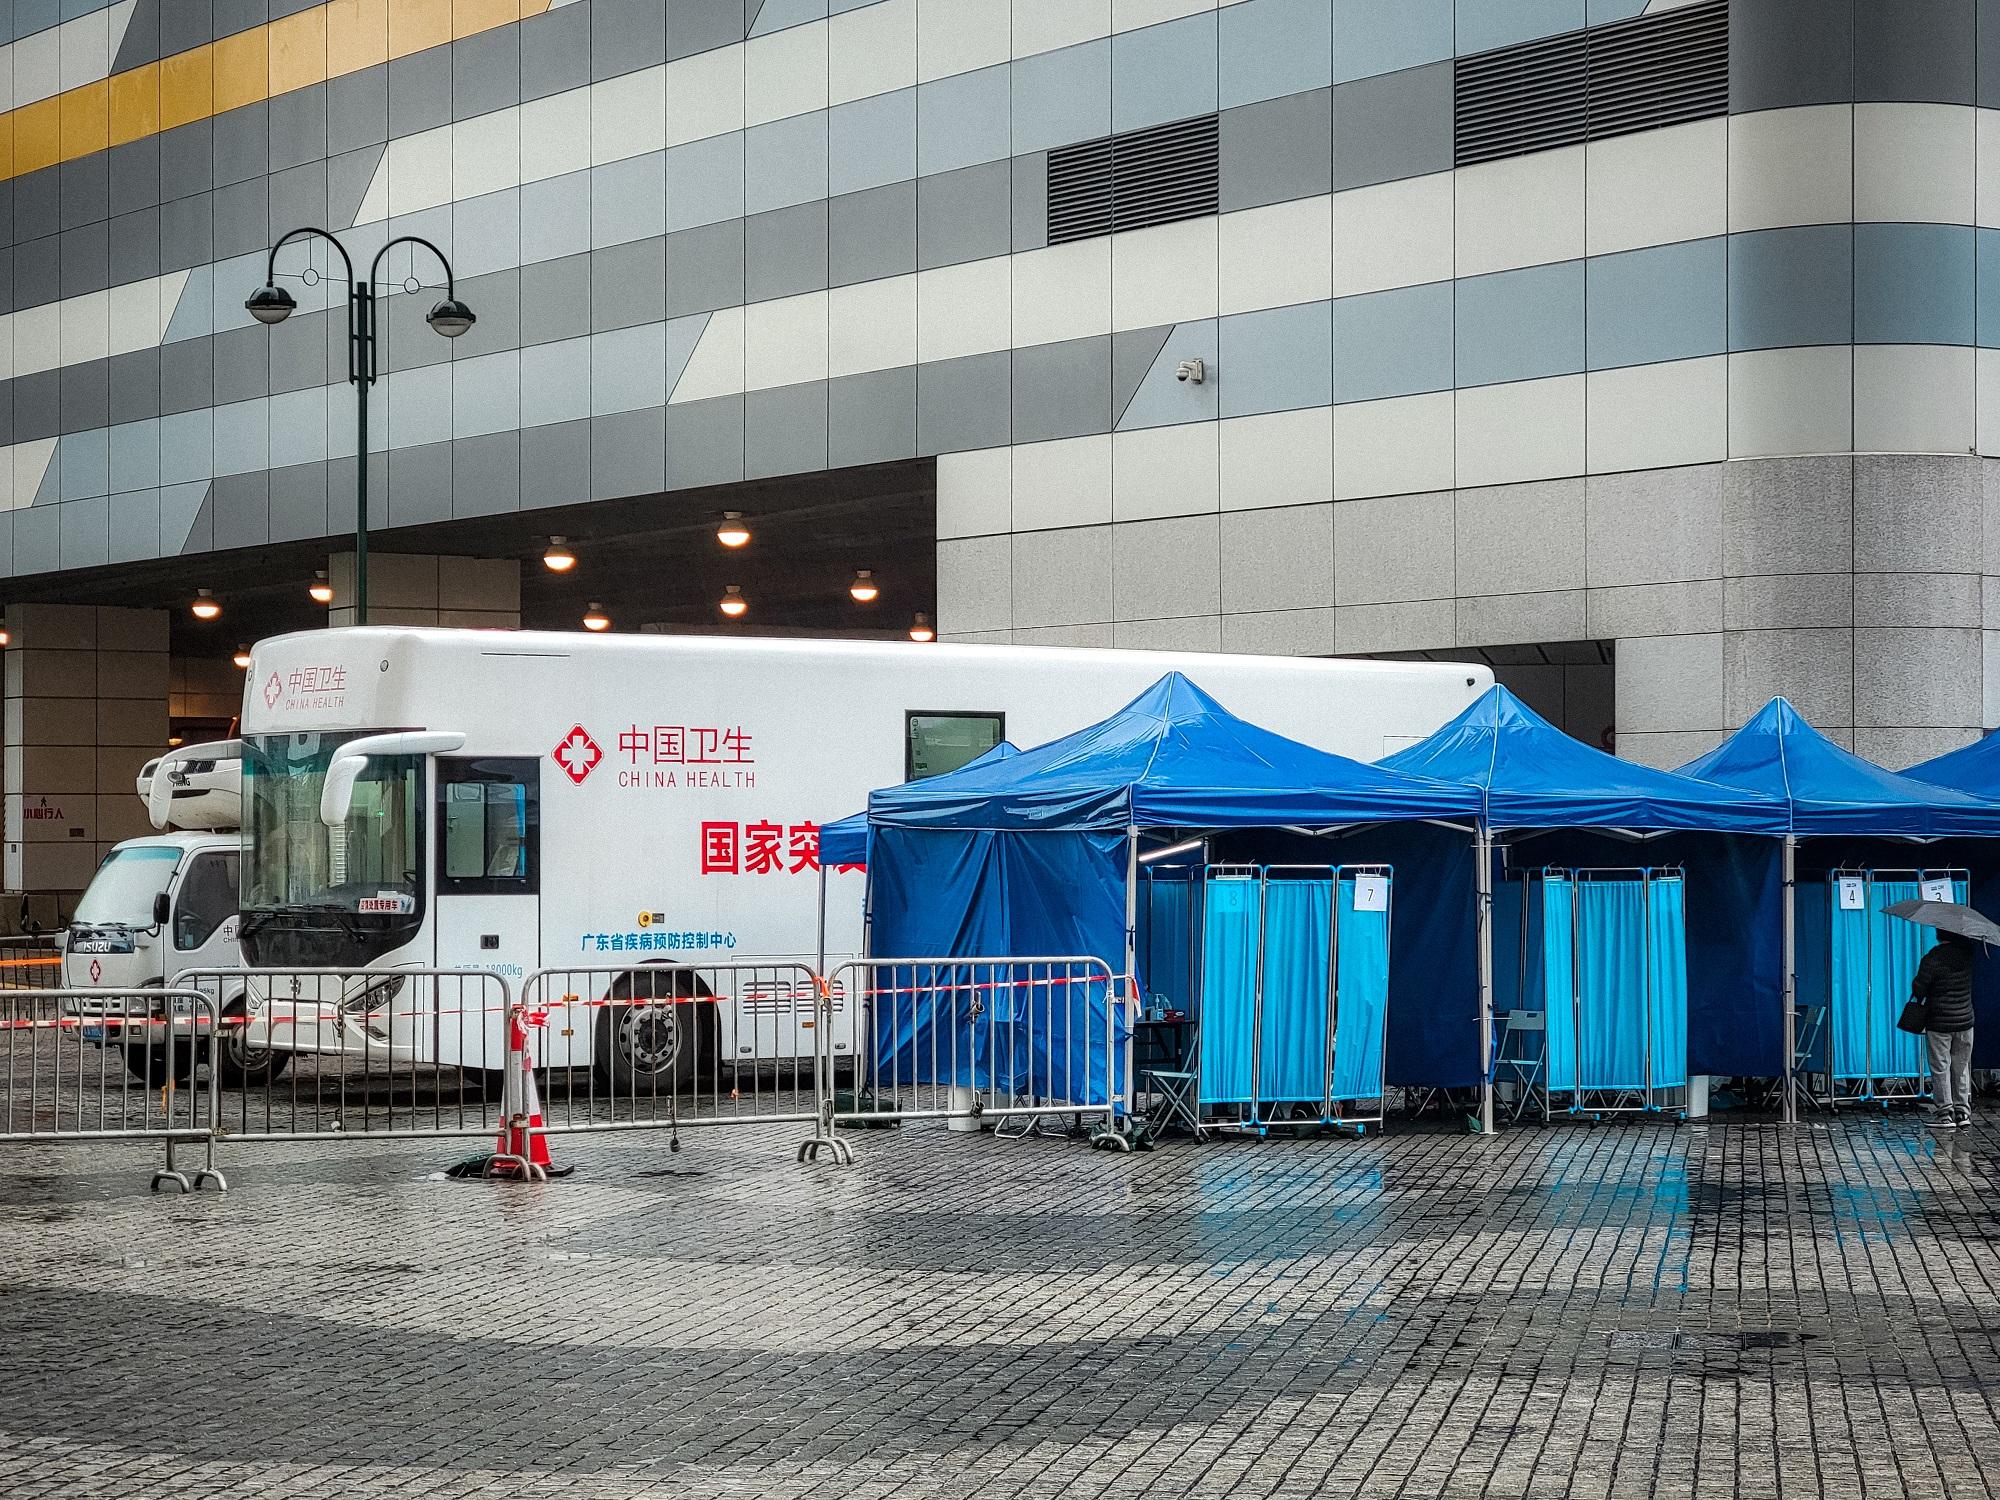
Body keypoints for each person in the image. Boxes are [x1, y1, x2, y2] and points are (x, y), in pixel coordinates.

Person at [1913, 932, 1976, 1129]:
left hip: (1939, 1022)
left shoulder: (1932, 958)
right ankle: (1962, 1112)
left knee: (1940, 1067)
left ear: (1939, 935)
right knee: (1961, 1067)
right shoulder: (1967, 955)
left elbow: (1919, 989)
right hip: (1965, 1021)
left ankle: (1945, 1115)